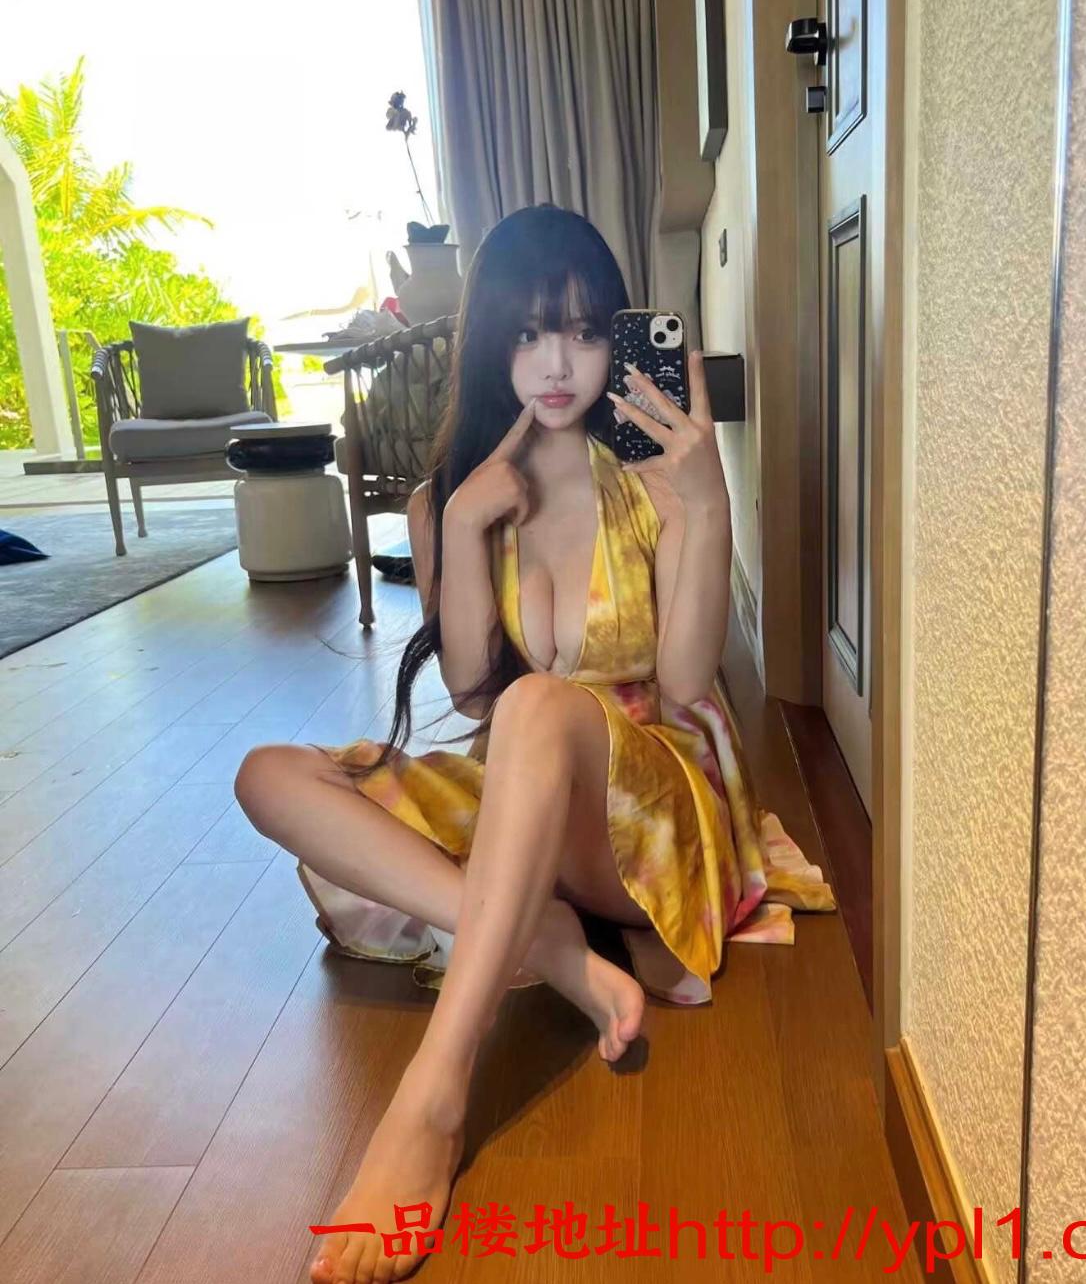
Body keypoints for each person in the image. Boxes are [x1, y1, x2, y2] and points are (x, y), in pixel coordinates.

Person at [233, 204, 836, 1284]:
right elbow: (471, 686)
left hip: (655, 806)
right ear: (490, 343)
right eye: (526, 332)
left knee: (537, 707)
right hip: (526, 789)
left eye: (585, 330)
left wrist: (705, 509)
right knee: (269, 774)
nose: (557, 363)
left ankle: (432, 1097)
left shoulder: (651, 480)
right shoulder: (448, 501)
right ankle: (552, 947)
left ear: (617, 337)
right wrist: (465, 527)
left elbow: (687, 683)